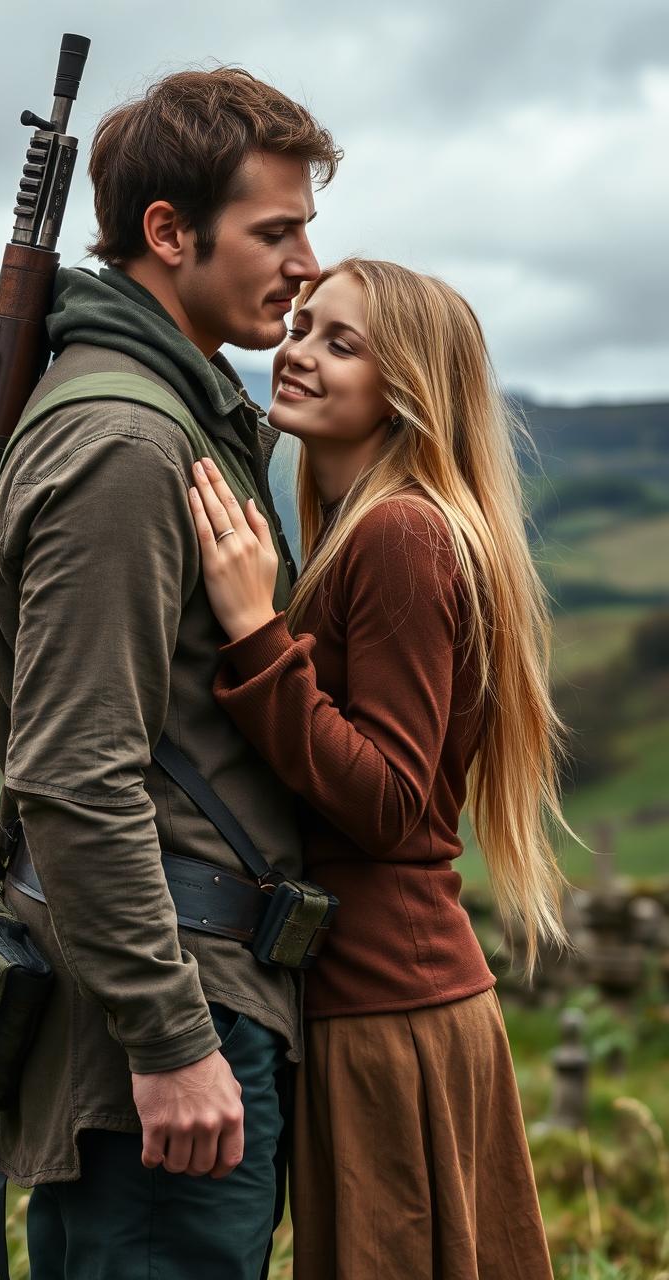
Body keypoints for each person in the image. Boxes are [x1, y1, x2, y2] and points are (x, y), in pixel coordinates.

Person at [0, 68, 340, 1280]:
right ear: (169, 233)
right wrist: (172, 1035)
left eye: (305, 228)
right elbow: (76, 772)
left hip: (187, 992)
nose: (303, 265)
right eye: (273, 230)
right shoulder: (129, 447)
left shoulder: (164, 415)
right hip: (165, 1018)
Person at [187, 258, 569, 1279]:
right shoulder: (369, 527)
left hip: (388, 1008)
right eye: (303, 325)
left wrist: (255, 633)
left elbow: (392, 801)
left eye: (340, 340)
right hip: (384, 994)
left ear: (407, 388)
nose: (299, 349)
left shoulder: (401, 533)